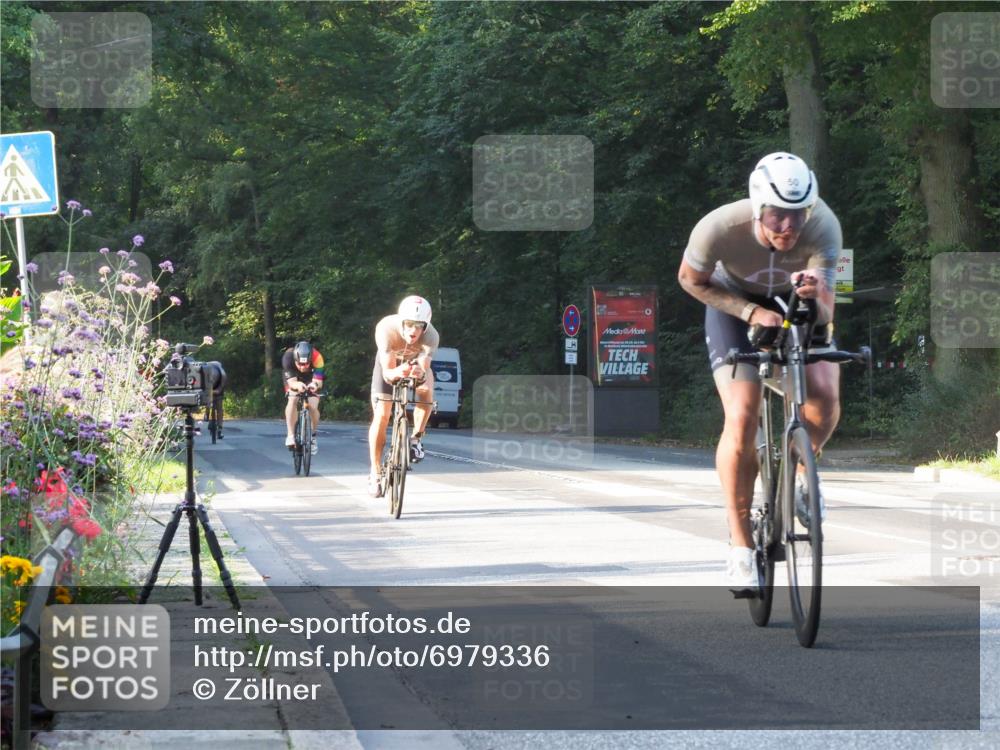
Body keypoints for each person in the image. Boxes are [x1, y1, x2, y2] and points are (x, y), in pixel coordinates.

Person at [676, 152, 841, 593]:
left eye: (797, 216)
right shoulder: (719, 227)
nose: (787, 226)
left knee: (824, 398)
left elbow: (827, 307)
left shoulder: (824, 225)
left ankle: (800, 471)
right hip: (733, 307)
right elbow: (690, 280)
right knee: (743, 415)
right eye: (776, 215)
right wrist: (748, 311)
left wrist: (814, 293)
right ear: (756, 207)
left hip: (795, 305)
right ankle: (741, 547)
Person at [367, 295, 439, 497]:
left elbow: (424, 367)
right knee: (382, 414)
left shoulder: (432, 336)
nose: (413, 331)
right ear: (401, 322)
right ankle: (375, 471)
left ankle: (416, 438)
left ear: (426, 326)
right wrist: (400, 371)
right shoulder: (386, 329)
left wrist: (419, 373)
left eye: (419, 326)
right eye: (408, 324)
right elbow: (388, 374)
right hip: (389, 365)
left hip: (414, 363)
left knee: (426, 390)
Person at [282, 341, 324, 454]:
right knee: (293, 398)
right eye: (300, 364)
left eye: (306, 364)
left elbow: (319, 381)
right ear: (295, 359)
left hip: (311, 378)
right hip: (294, 378)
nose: (302, 367)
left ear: (310, 360)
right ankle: (290, 434)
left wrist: (314, 385)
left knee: (313, 406)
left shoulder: (317, 358)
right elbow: (291, 383)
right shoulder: (288, 357)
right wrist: (297, 385)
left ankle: (313, 436)